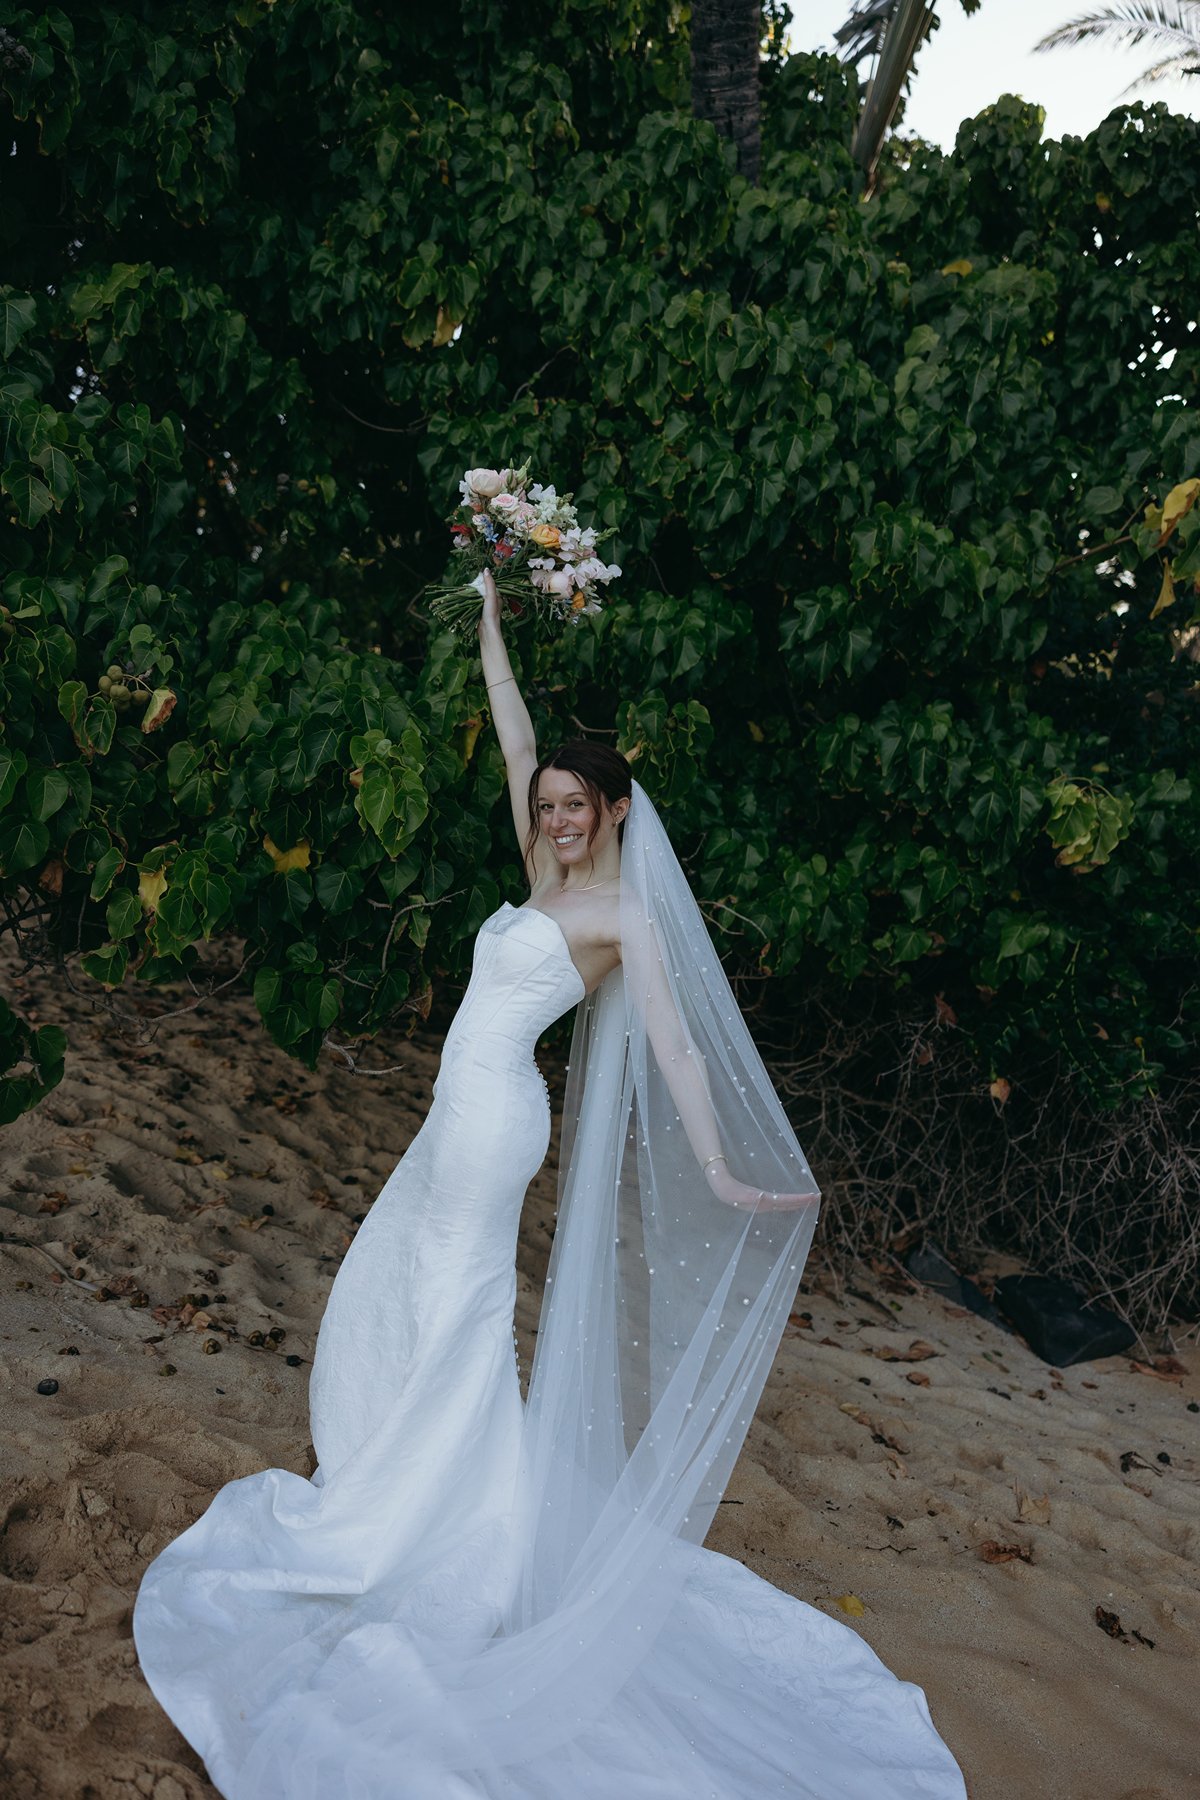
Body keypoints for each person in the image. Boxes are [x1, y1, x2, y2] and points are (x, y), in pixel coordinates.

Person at [133, 572, 968, 1799]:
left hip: (493, 1125)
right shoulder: (537, 863)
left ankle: (443, 1521)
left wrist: (730, 1173)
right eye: (548, 805)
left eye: (576, 805)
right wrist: (488, 621)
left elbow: (676, 1047)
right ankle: (393, 1469)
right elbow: (515, 730)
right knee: (395, 1277)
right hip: (450, 1117)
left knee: (462, 1301)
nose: (557, 817)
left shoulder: (624, 914)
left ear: (616, 810)